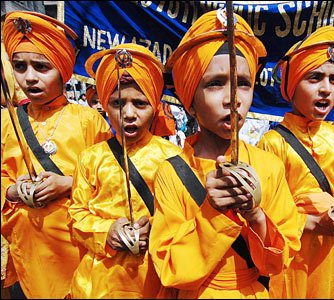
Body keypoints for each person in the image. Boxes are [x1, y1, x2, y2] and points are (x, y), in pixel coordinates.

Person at [149, 9, 301, 299]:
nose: (233, 98)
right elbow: (171, 269)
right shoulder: (171, 172)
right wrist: (213, 214)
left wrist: (256, 216)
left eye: (243, 83)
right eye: (215, 83)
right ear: (190, 102)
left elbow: (278, 262)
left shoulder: (269, 166)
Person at [1, 11, 113, 299]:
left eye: (41, 67)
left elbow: (110, 182)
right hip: (26, 256)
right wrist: (13, 190)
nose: (30, 77)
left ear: (63, 69)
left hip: (77, 259)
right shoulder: (6, 122)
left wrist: (68, 184)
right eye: (20, 66)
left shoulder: (89, 121)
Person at [257, 26, 334, 299]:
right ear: (292, 84)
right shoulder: (272, 143)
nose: (326, 90)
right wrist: (316, 222)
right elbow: (266, 213)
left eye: (333, 79)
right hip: (295, 264)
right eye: (314, 78)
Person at [68, 43, 182, 299]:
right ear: (105, 105)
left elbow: (184, 218)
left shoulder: (173, 157)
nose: (129, 114)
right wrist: (106, 231)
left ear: (155, 105)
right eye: (118, 103)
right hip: (97, 283)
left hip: (153, 279)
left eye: (140, 103)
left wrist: (154, 228)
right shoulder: (90, 158)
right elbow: (75, 217)